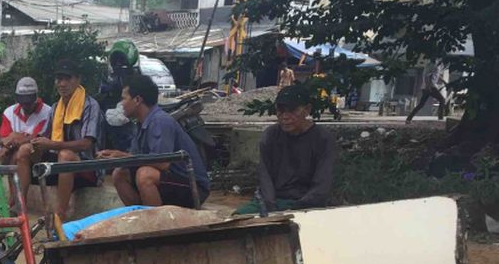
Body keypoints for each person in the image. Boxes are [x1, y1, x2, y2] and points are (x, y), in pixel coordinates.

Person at [104, 73, 210, 208]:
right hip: (168, 180)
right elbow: (135, 158)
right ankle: (140, 215)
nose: (121, 104)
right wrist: (115, 157)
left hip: (193, 186)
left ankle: (154, 224)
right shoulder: (140, 124)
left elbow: (162, 163)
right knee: (120, 173)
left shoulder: (160, 121)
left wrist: (122, 156)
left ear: (137, 100)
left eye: (124, 99)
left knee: (145, 175)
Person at [14, 60, 101, 217]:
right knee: (24, 151)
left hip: (85, 165)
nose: (62, 84)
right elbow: (46, 136)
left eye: (67, 79)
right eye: (59, 79)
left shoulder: (90, 105)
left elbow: (86, 143)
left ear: (78, 79)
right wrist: (36, 142)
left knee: (65, 155)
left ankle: (60, 214)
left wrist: (52, 144)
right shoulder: (55, 107)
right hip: (57, 160)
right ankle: (20, 206)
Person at [233, 85, 337, 215]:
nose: (285, 117)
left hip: (305, 203)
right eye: (281, 111)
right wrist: (271, 207)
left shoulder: (322, 138)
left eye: (292, 111)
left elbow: (322, 184)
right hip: (273, 201)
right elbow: (265, 176)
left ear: (307, 110)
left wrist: (297, 209)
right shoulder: (271, 135)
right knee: (238, 218)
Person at [0, 77, 53, 166]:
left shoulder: (48, 112)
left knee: (23, 150)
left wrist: (15, 137)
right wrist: (8, 144)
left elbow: (36, 139)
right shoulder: (9, 112)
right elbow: (4, 138)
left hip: (38, 156)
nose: (26, 105)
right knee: (0, 152)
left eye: (29, 101)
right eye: (22, 101)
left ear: (36, 96)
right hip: (12, 151)